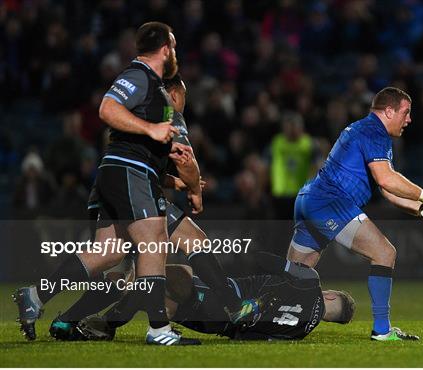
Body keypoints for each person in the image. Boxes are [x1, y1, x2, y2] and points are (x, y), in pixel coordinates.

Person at [45, 73, 259, 343]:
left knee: (119, 278)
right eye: (183, 97)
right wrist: (194, 190)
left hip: (108, 188)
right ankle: (234, 306)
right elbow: (186, 160)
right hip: (137, 194)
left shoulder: (134, 113)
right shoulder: (168, 111)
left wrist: (175, 183)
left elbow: (145, 164)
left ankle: (65, 319)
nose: (183, 104)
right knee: (194, 242)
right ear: (174, 94)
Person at [14, 22, 189, 345]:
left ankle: (36, 296)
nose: (174, 53)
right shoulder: (138, 75)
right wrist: (151, 132)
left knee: (108, 252)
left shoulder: (150, 83)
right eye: (174, 47)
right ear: (166, 48)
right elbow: (108, 108)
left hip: (121, 171)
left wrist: (164, 148)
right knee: (155, 240)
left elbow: (131, 126)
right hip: (128, 171)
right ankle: (158, 329)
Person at [287, 87, 423, 341]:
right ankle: (383, 331)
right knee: (385, 253)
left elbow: (388, 191)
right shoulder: (374, 132)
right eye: (406, 113)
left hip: (309, 199)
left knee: (293, 275)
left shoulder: (364, 130)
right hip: (330, 202)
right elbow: (387, 180)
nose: (409, 120)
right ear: (389, 111)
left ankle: (265, 320)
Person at [77, 252, 356, 341]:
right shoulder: (299, 333)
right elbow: (253, 338)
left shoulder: (311, 281)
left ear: (331, 297)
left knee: (166, 273)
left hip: (228, 297)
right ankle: (108, 320)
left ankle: (108, 319)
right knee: (161, 299)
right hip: (216, 325)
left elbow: (265, 261)